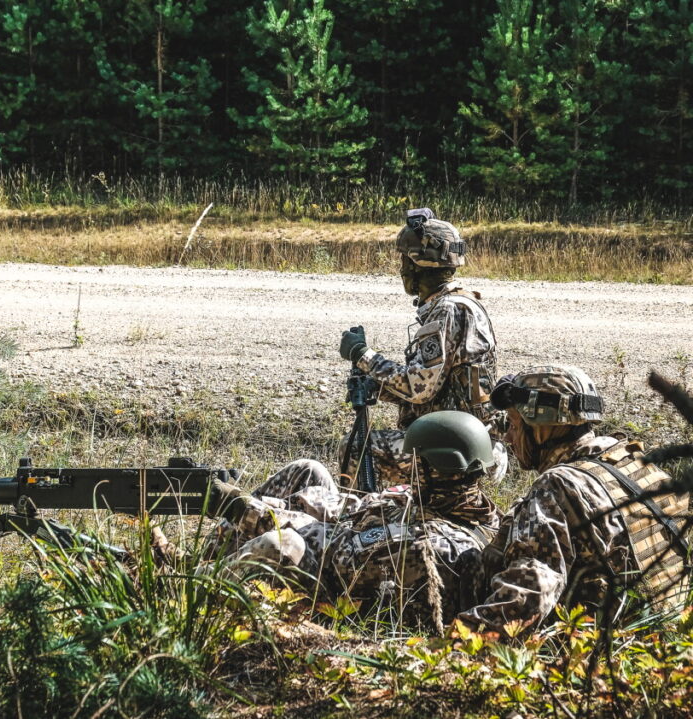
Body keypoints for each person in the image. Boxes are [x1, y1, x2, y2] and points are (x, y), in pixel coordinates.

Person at [205, 411, 502, 629]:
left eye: (414, 461)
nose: (408, 466)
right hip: (344, 556)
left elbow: (333, 553)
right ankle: (212, 553)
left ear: (430, 469)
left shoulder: (426, 545)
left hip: (337, 598)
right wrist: (286, 504)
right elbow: (360, 507)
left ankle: (197, 584)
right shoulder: (466, 508)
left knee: (280, 544)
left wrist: (243, 508)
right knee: (308, 470)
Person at [457, 365, 690, 636]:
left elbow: (525, 598)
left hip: (601, 651)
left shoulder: (558, 486)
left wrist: (456, 645)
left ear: (542, 428)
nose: (508, 437)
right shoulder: (634, 462)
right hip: (669, 640)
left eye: (513, 423)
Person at [338, 208, 502, 486]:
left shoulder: (448, 311)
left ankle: (358, 522)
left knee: (354, 448)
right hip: (465, 441)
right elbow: (437, 389)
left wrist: (363, 356)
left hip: (462, 452)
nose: (401, 269)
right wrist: (377, 386)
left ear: (416, 264)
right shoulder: (458, 305)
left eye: (404, 260)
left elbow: (418, 388)